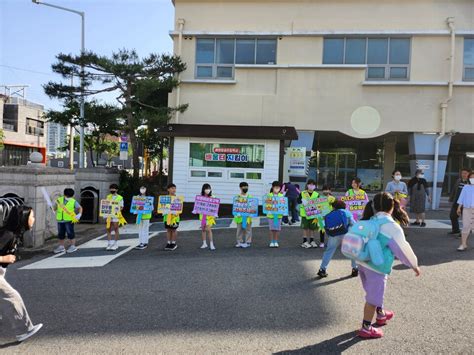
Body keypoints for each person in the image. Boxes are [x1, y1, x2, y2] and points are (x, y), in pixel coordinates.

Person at [355, 192, 420, 339]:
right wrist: (414, 265)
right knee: (373, 296)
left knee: (373, 291)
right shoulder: (391, 226)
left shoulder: (370, 220)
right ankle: (366, 327)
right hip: (377, 267)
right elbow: (402, 248)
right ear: (391, 207)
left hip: (362, 263)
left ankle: (381, 313)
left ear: (374, 207)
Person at [0, 206, 43, 342]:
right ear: (23, 218)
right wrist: (3, 259)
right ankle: (24, 330)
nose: (34, 219)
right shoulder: (7, 234)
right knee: (13, 296)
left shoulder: (14, 234)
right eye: (32, 216)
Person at [317, 199, 358, 278]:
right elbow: (353, 224)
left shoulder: (330, 214)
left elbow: (324, 226)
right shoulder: (347, 212)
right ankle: (354, 268)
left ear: (333, 207)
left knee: (329, 251)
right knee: (352, 251)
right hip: (347, 234)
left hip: (334, 235)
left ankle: (322, 269)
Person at [53, 188, 83, 254]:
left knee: (70, 233)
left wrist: (79, 214)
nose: (69, 197)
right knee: (61, 234)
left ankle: (73, 246)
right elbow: (55, 208)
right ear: (65, 194)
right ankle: (61, 247)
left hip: (69, 220)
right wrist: (52, 209)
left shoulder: (73, 201)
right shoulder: (59, 200)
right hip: (60, 220)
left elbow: (80, 207)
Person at [298, 179, 319, 248]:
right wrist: (302, 201)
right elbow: (298, 201)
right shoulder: (303, 193)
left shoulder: (316, 194)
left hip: (313, 213)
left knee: (312, 228)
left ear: (315, 186)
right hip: (305, 213)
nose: (311, 186)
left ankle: (312, 241)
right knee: (305, 228)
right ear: (307, 185)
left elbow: (319, 204)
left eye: (313, 184)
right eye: (310, 184)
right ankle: (305, 241)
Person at [449, 168, 470, 236]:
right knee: (452, 216)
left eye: (465, 173)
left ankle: (465, 232)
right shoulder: (458, 180)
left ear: (468, 174)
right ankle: (456, 230)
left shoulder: (470, 183)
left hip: (466, 204)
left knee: (465, 219)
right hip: (456, 202)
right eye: (462, 173)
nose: (463, 174)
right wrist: (451, 199)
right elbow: (454, 190)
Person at [456, 171, 474, 251]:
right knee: (466, 226)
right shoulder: (466, 187)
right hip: (467, 209)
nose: (472, 179)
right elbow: (461, 198)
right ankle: (463, 244)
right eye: (471, 177)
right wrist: (459, 208)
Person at [105, 184, 124, 251]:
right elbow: (105, 205)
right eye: (111, 188)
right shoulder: (108, 196)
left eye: (113, 189)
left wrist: (116, 210)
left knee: (116, 229)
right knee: (108, 229)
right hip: (109, 215)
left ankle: (115, 244)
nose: (112, 190)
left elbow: (121, 207)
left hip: (116, 215)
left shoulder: (120, 197)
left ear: (116, 190)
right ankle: (109, 243)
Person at [234, 182, 253, 248]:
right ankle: (239, 242)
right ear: (240, 188)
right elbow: (235, 206)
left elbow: (252, 206)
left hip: (248, 216)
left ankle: (248, 242)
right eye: (244, 187)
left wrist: (251, 213)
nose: (245, 188)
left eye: (246, 187)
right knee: (239, 229)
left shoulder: (250, 196)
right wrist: (237, 214)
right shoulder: (237, 197)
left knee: (248, 229)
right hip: (239, 216)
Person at [267, 181, 284, 248]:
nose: (277, 188)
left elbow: (283, 205)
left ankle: (276, 241)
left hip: (278, 215)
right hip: (271, 215)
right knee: (271, 229)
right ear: (273, 187)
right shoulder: (269, 195)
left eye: (278, 187)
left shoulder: (281, 196)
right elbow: (266, 205)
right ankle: (271, 241)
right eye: (275, 187)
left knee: (277, 229)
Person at [199, 183, 216, 251]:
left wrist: (214, 214)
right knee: (203, 229)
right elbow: (198, 206)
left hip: (209, 217)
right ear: (203, 189)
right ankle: (204, 243)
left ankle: (211, 244)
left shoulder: (213, 197)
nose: (207, 190)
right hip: (203, 216)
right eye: (206, 188)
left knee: (208, 230)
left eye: (209, 188)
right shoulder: (200, 197)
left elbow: (215, 206)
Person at [135, 186, 152, 250]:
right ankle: (141, 242)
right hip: (139, 216)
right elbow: (134, 206)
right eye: (141, 189)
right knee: (140, 230)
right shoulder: (137, 197)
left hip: (146, 216)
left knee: (145, 230)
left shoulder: (149, 198)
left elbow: (151, 207)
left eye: (143, 189)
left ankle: (144, 243)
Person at [164, 183, 180, 251]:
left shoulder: (178, 198)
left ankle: (173, 243)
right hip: (166, 217)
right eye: (172, 188)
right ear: (168, 189)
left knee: (173, 230)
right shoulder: (165, 198)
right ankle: (168, 243)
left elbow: (180, 208)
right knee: (168, 230)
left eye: (174, 188)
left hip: (175, 217)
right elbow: (162, 207)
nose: (174, 189)